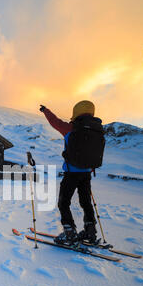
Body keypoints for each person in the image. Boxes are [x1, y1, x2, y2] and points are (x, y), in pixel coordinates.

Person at [40, 100, 100, 244]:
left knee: (64, 202)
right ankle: (90, 231)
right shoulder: (97, 130)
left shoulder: (71, 128)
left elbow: (55, 122)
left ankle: (69, 232)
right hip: (86, 173)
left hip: (72, 173)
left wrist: (46, 110)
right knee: (86, 202)